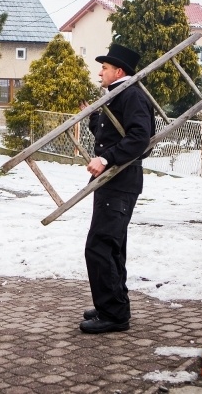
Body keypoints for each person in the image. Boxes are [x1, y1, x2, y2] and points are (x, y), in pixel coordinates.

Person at [79, 43, 155, 334]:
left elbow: (139, 138)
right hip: (113, 181)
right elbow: (110, 134)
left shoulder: (131, 94)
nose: (100, 73)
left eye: (105, 68)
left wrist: (105, 158)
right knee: (111, 247)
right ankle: (112, 305)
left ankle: (114, 314)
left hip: (120, 180)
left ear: (119, 71)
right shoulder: (117, 95)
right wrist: (92, 116)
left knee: (100, 246)